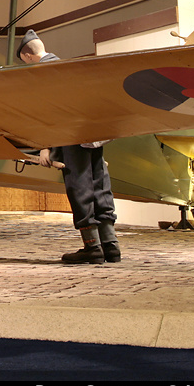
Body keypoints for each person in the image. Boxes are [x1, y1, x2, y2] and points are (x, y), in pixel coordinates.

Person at [17, 30, 120, 264]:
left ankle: (92, 247)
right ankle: (111, 246)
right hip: (94, 134)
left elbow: (51, 111)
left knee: (79, 186)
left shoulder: (45, 72)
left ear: (27, 56)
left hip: (71, 135)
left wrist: (44, 147)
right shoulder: (67, 67)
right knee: (100, 184)